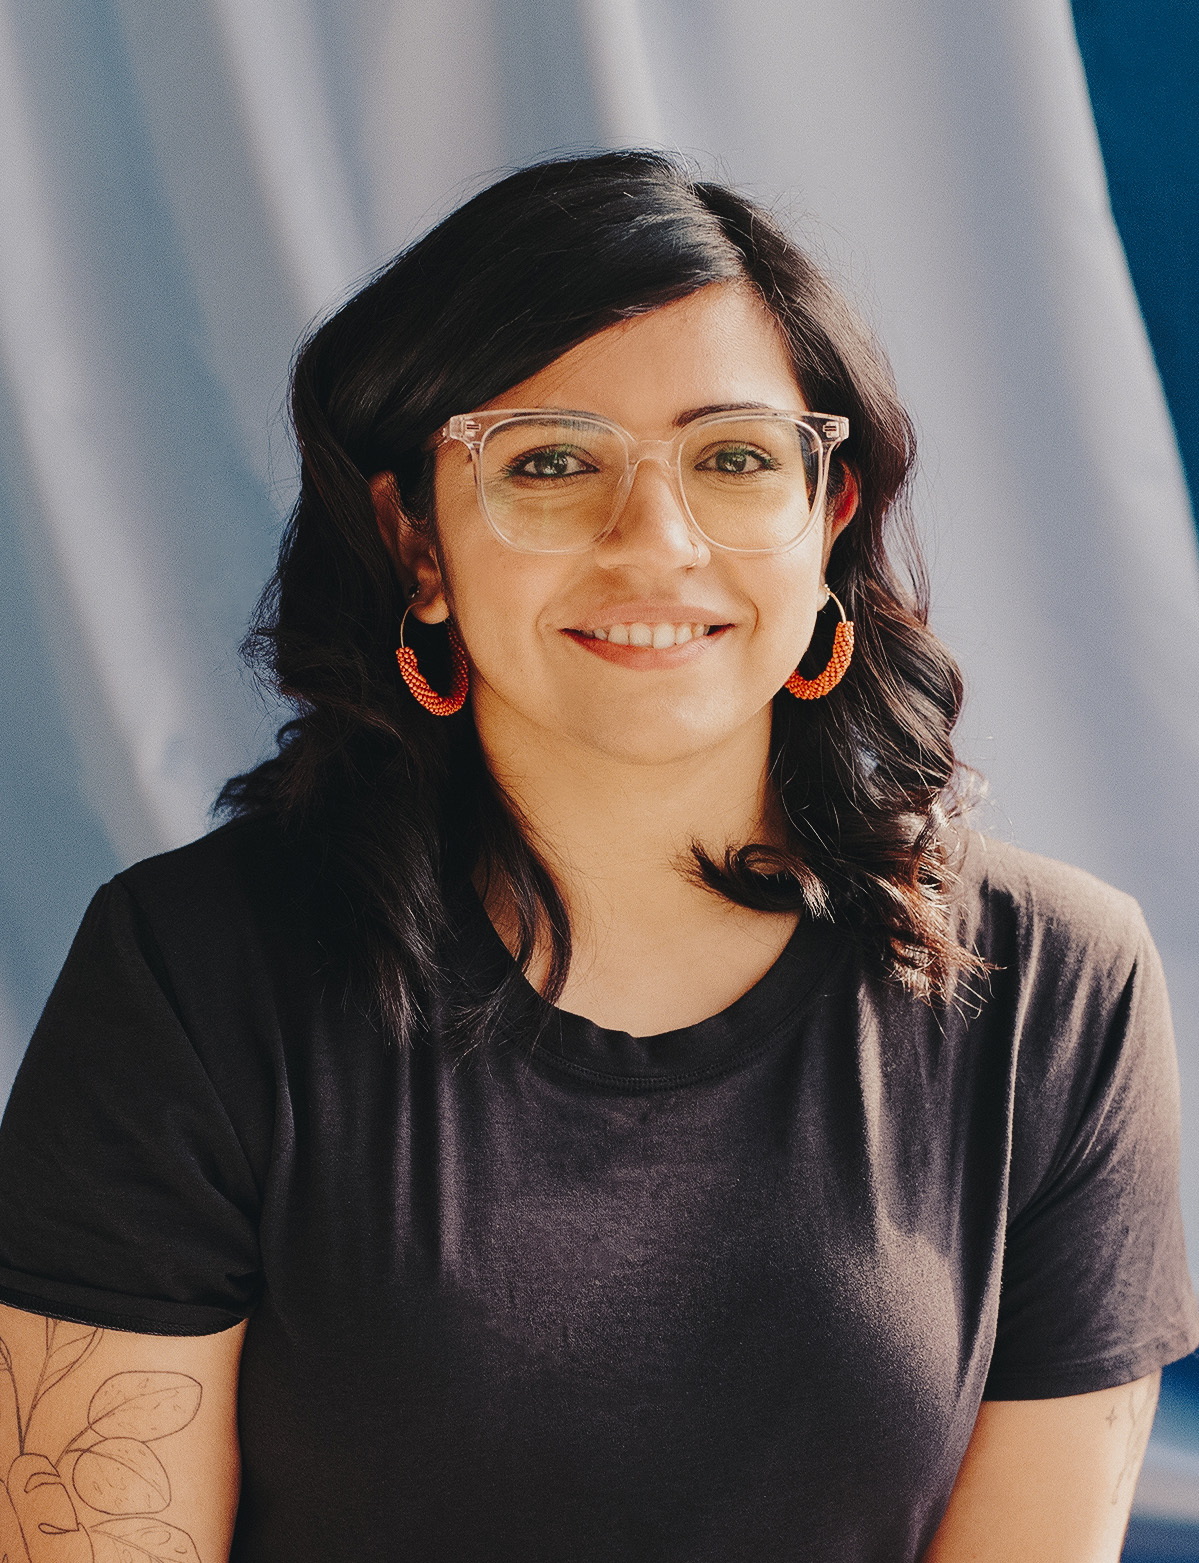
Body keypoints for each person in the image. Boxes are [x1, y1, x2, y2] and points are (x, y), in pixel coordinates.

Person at [0, 151, 1194, 1563]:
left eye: (735, 458)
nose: (656, 542)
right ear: (418, 544)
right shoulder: (188, 974)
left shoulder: (1060, 990)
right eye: (552, 462)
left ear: (831, 522)